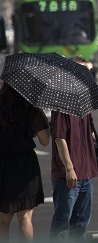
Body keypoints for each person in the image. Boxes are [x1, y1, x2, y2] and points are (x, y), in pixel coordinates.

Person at [50, 56, 98, 242]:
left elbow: (90, 130)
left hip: (86, 171)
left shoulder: (84, 100)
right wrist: (69, 168)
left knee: (81, 223)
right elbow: (59, 137)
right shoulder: (62, 101)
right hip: (69, 175)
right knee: (62, 223)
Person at [0, 84, 50, 241]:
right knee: (25, 218)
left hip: (2, 163)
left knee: (3, 220)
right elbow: (45, 141)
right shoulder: (32, 112)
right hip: (25, 165)